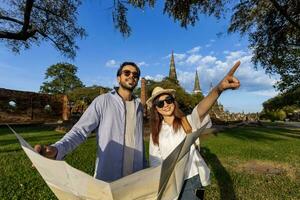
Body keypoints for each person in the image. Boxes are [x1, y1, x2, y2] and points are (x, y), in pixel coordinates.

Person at [34, 62, 147, 182]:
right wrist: (57, 149)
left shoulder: (139, 106)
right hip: (109, 176)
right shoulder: (103, 101)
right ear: (118, 78)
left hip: (136, 176)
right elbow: (80, 131)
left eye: (135, 74)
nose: (131, 76)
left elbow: (139, 141)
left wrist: (145, 168)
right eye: (127, 72)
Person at [147, 61, 241, 199]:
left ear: (174, 101)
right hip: (169, 183)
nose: (165, 104)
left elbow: (201, 109)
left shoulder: (188, 121)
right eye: (160, 103)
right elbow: (155, 162)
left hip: (192, 180)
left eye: (168, 100)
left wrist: (219, 88)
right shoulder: (156, 132)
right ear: (156, 108)